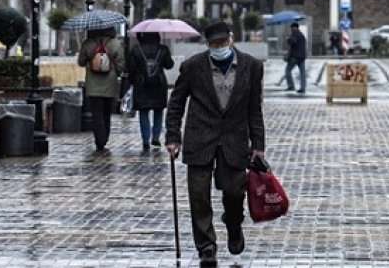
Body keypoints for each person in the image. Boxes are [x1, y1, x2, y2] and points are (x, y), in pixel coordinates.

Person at [165, 20, 266, 267]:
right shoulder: (192, 67)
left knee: (234, 192)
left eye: (223, 42)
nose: (219, 47)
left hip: (234, 139)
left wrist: (258, 144)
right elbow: (176, 103)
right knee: (198, 195)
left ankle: (233, 224)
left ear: (231, 39)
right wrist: (172, 137)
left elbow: (255, 108)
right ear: (207, 44)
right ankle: (206, 246)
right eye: (214, 44)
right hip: (200, 138)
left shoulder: (251, 67)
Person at [77, 27, 125, 153]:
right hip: (110, 84)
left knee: (96, 114)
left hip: (93, 85)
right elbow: (121, 64)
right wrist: (117, 72)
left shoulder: (88, 43)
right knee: (107, 113)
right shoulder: (115, 44)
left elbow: (81, 62)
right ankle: (104, 138)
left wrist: (90, 59)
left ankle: (99, 140)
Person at [128, 32, 174, 152]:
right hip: (159, 84)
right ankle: (156, 137)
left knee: (143, 112)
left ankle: (145, 140)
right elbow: (169, 65)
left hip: (141, 84)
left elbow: (131, 68)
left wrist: (133, 81)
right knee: (158, 111)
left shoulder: (136, 50)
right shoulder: (163, 49)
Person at [285, 22, 307, 94]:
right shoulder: (302, 35)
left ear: (294, 27)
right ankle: (303, 88)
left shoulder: (295, 33)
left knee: (288, 70)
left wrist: (288, 39)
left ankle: (291, 86)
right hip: (302, 56)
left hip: (295, 56)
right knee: (302, 73)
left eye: (291, 28)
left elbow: (292, 41)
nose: (291, 29)